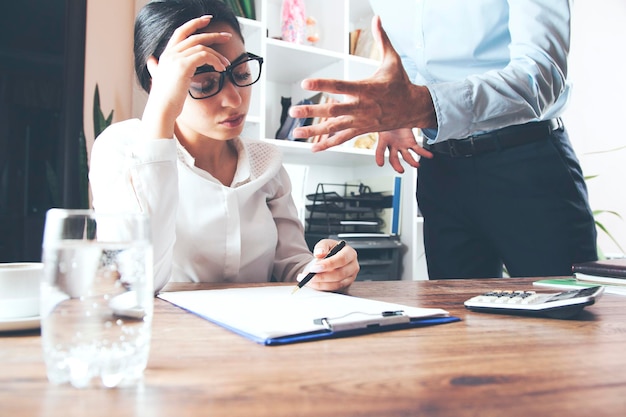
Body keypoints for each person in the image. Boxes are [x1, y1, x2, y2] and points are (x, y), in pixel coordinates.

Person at [289, 0, 597, 279]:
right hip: (442, 169)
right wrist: (399, 113)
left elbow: (541, 77)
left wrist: (423, 106)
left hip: (526, 162)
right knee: (456, 325)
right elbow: (411, 59)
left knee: (565, 317)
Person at [89, 0, 359, 293]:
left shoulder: (266, 162)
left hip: (261, 332)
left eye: (242, 74)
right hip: (168, 335)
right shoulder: (121, 148)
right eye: (205, 84)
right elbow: (134, 281)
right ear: (160, 82)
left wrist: (324, 269)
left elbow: (292, 266)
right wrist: (162, 111)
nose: (234, 99)